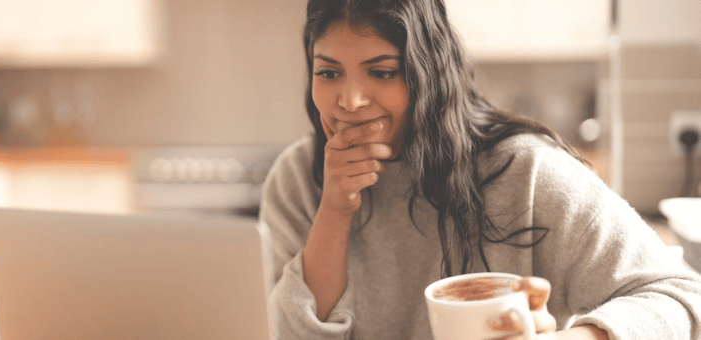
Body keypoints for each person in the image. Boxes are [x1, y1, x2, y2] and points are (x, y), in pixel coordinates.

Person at [258, 0, 701, 339]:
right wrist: (334, 210)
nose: (350, 101)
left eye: (383, 72)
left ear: (427, 73)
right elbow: (287, 332)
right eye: (329, 73)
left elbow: (679, 295)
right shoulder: (296, 180)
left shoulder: (524, 172)